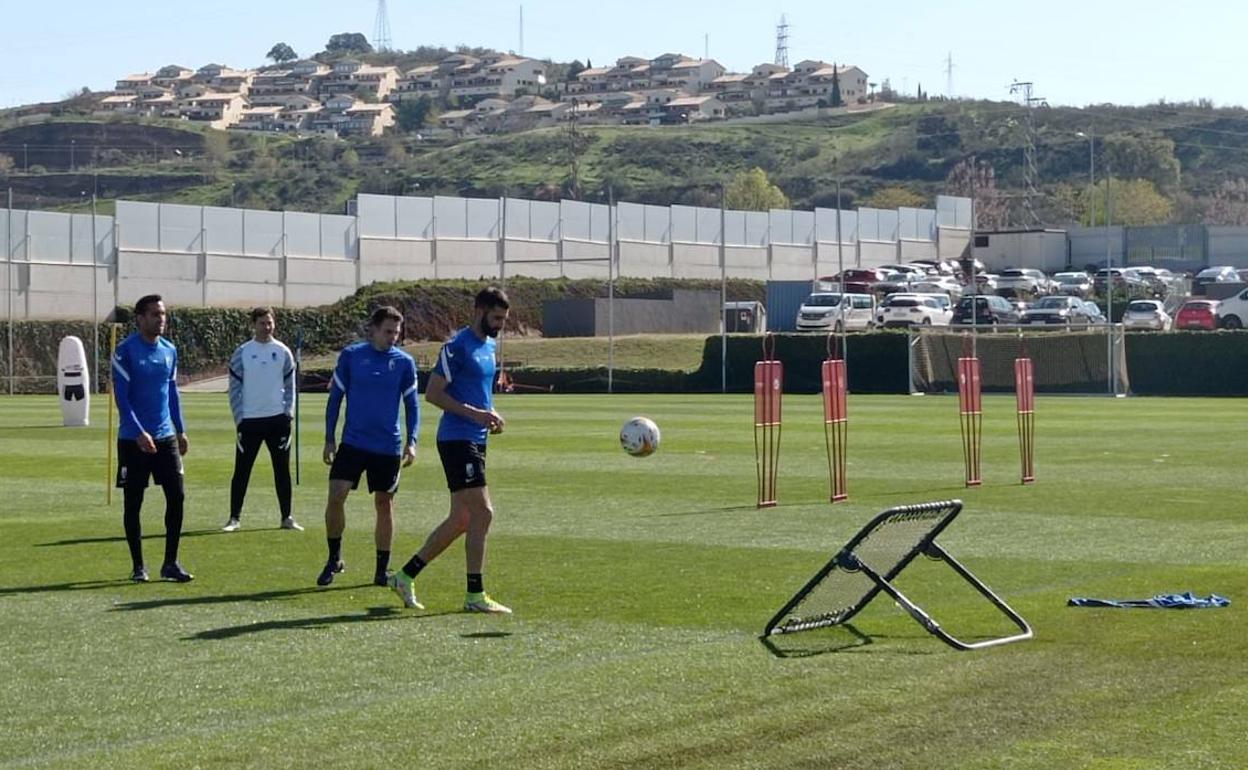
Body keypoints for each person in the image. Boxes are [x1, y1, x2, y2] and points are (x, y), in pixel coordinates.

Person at [389, 286, 511, 614]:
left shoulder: (489, 345)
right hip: (457, 439)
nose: (500, 324)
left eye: (503, 319)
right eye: (496, 317)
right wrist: (477, 415)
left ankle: (404, 575)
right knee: (484, 514)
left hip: (476, 438)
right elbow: (433, 394)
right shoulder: (457, 347)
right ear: (479, 310)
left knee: (461, 519)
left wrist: (491, 415)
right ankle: (475, 595)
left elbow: (479, 393)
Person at [319, 306, 419, 587]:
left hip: (387, 445)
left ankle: (381, 569)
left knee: (384, 503)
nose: (393, 338)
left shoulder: (404, 363)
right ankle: (334, 558)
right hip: (353, 442)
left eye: (396, 333)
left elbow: (412, 405)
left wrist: (412, 441)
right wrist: (329, 438)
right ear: (372, 329)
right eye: (388, 332)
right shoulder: (352, 356)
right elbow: (335, 399)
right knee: (336, 495)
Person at [112, 294, 193, 583]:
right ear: (140, 318)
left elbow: (172, 394)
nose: (161, 319)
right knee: (133, 502)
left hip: (165, 437)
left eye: (163, 314)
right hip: (133, 440)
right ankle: (138, 566)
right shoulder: (125, 351)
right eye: (155, 314)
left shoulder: (169, 350)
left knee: (177, 496)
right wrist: (137, 432)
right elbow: (121, 397)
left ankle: (170, 563)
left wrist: (180, 429)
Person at [223, 307, 302, 533]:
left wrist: (288, 413)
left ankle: (286, 517)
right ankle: (234, 518)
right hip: (250, 421)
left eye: (269, 323)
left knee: (282, 470)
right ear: (253, 325)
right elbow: (234, 388)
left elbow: (290, 386)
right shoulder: (243, 352)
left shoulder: (283, 351)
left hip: (278, 420)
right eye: (262, 323)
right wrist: (239, 417)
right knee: (242, 471)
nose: (266, 327)